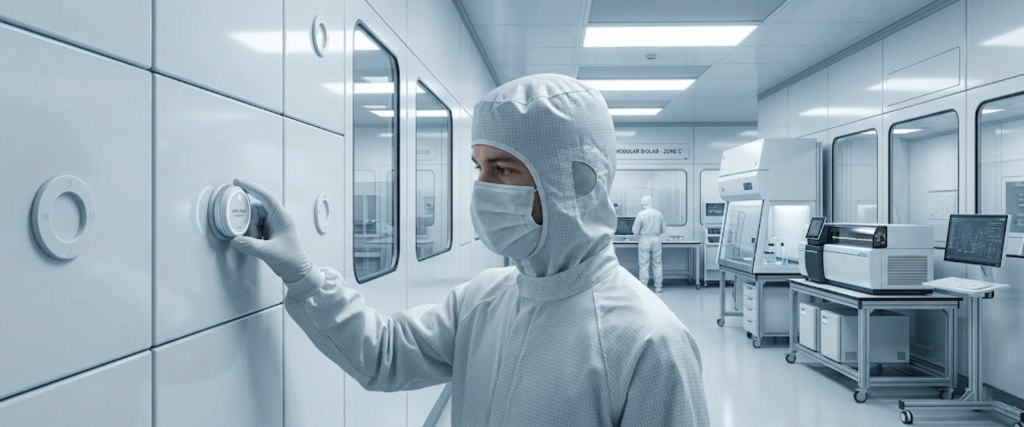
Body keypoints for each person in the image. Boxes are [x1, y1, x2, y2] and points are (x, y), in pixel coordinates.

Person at [230, 74, 709, 426]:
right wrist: (305, 275)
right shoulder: (484, 299)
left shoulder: (649, 342)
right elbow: (385, 354)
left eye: (502, 171)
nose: (481, 189)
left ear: (574, 183)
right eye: (478, 167)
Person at [632, 195, 667, 293]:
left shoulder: (641, 214)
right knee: (657, 263)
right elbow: (663, 230)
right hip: (656, 239)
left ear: (642, 203)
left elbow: (635, 231)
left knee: (643, 263)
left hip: (645, 239)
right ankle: (658, 286)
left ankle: (644, 286)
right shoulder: (659, 214)